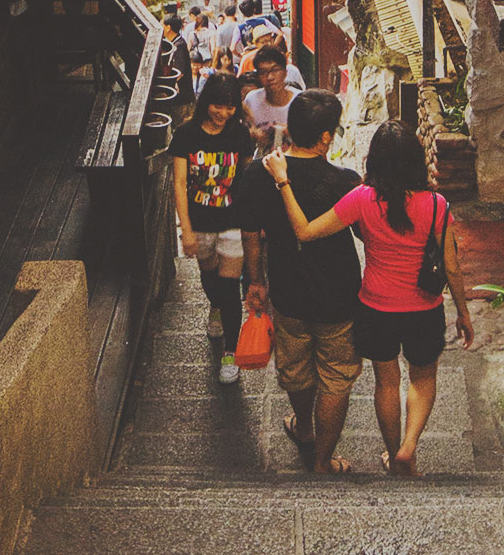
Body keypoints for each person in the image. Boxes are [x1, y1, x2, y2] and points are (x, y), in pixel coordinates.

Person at [265, 119, 474, 476]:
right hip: (424, 308)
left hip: (376, 306)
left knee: (386, 382)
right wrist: (464, 314)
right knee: (422, 379)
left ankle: (394, 455)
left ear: (373, 160)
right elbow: (452, 268)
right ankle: (409, 448)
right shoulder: (438, 206)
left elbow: (305, 230)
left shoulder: (362, 200)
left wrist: (283, 180)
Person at [237, 91, 362, 475]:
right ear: (326, 137)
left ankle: (304, 427)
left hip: (287, 290)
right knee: (336, 374)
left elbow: (251, 234)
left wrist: (255, 281)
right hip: (338, 294)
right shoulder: (345, 181)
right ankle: (323, 461)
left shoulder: (259, 174)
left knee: (295, 368)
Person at [170, 72, 253, 384]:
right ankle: (214, 307)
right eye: (218, 106)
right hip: (200, 220)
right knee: (209, 278)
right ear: (207, 103)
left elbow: (245, 179)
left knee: (230, 287)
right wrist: (186, 230)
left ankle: (230, 352)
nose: (224, 113)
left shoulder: (240, 134)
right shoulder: (186, 135)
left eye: (230, 107)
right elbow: (179, 184)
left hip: (233, 221)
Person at [243, 45, 300, 152]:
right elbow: (245, 130)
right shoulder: (252, 100)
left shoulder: (300, 101)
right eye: (263, 72)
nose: (270, 77)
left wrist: (291, 131)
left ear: (285, 72)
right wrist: (253, 134)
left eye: (275, 70)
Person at [238, 28, 306, 91]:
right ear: (256, 44)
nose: (269, 44)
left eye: (270, 40)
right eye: (264, 42)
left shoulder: (287, 65)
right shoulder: (247, 59)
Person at [162, 14, 195, 125]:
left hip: (183, 100)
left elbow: (179, 73)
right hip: (179, 100)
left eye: (162, 24)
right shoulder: (173, 44)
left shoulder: (179, 45)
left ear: (168, 27)